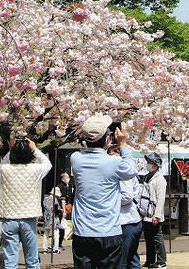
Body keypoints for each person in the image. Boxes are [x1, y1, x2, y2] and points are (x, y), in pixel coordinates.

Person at [69, 115, 138, 269]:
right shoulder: (114, 162)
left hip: (83, 231)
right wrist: (123, 143)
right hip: (109, 231)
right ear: (107, 139)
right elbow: (131, 170)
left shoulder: (76, 159)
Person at [0, 137, 52, 269]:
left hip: (9, 219)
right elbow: (47, 164)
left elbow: (4, 161)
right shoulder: (35, 170)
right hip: (29, 219)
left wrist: (11, 149)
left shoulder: (4, 169)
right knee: (32, 260)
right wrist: (35, 149)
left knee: (10, 260)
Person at [138, 153, 166, 269]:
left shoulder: (160, 179)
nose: (148, 164)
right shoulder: (147, 176)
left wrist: (157, 215)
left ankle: (161, 261)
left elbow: (161, 198)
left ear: (155, 165)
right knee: (148, 238)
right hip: (146, 213)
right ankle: (150, 260)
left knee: (157, 238)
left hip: (154, 214)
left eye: (150, 162)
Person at [117, 154, 144, 269]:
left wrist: (109, 201)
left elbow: (127, 197)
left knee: (122, 259)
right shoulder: (127, 173)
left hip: (127, 221)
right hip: (132, 220)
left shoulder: (124, 174)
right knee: (132, 258)